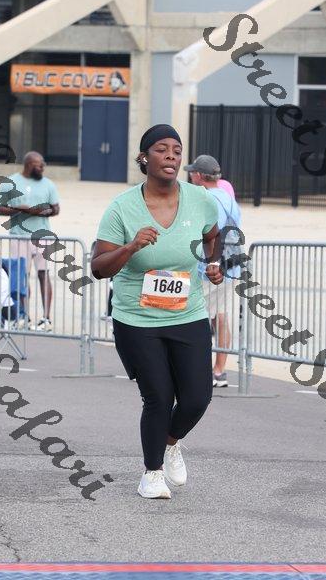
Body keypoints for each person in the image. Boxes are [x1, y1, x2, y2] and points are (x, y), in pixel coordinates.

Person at [91, 124, 222, 499]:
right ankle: (152, 473)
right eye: (162, 149)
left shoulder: (200, 200)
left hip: (187, 313)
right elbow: (98, 268)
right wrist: (131, 247)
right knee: (159, 397)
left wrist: (213, 263)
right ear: (144, 158)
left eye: (177, 150)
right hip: (137, 319)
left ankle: (170, 442)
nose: (171, 156)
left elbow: (213, 236)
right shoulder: (122, 207)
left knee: (197, 398)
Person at [184, 154, 241, 387]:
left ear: (199, 175)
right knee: (222, 316)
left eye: (192, 172)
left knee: (197, 317)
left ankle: (199, 370)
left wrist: (209, 263)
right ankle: (219, 370)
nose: (190, 176)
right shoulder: (229, 198)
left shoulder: (207, 199)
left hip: (209, 268)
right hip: (230, 266)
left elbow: (209, 234)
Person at [0, 151, 60, 332]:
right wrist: (21, 209)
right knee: (21, 277)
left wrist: (42, 212)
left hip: (42, 237)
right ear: (29, 165)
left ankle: (46, 319)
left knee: (43, 274)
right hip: (19, 236)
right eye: (39, 165)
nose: (43, 167)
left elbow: (56, 209)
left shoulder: (48, 184)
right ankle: (23, 316)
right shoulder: (10, 182)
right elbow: (1, 209)